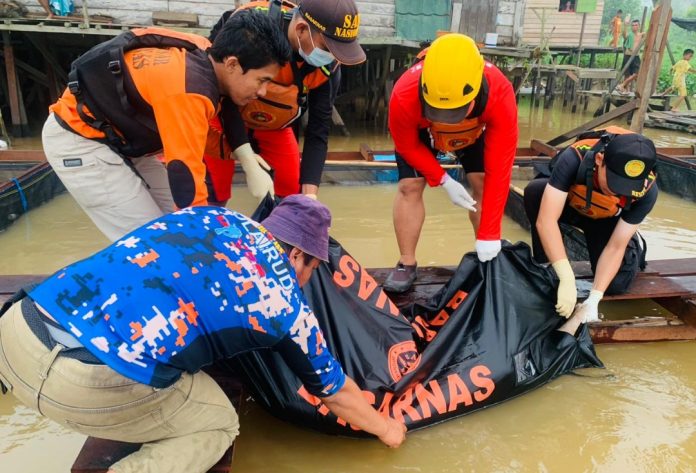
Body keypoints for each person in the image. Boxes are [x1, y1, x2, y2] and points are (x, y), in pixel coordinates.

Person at [0, 195, 407, 473]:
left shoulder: (208, 215)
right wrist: (388, 429)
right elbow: (336, 393)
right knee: (217, 424)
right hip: (79, 383)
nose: (305, 282)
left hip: (17, 327)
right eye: (312, 270)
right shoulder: (283, 302)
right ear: (299, 254)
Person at [42, 10, 291, 242]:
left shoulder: (204, 51)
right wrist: (202, 247)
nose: (263, 92)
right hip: (80, 139)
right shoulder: (189, 91)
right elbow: (188, 187)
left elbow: (199, 132)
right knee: (153, 242)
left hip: (122, 138)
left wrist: (244, 157)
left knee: (172, 224)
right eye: (262, 80)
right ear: (233, 64)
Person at [383, 33, 518, 293]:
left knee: (484, 182)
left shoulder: (499, 91)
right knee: (410, 185)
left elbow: (500, 170)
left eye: (454, 112)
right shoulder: (404, 92)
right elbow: (407, 145)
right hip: (424, 133)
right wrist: (443, 180)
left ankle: (486, 254)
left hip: (475, 131)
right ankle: (406, 262)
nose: (448, 119)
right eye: (442, 113)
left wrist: (490, 235)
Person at [205, 0, 366, 204]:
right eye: (329, 47)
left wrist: (310, 195)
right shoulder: (251, 31)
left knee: (292, 192)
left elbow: (318, 130)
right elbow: (221, 92)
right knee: (213, 191)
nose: (334, 56)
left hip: (274, 124)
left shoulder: (328, 67)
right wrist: (247, 160)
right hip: (224, 114)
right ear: (301, 30)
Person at [523, 128, 658, 322]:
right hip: (571, 206)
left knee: (615, 286)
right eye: (613, 182)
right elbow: (547, 220)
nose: (615, 191)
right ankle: (547, 267)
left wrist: (595, 298)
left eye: (626, 187)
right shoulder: (574, 157)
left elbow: (615, 246)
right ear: (599, 160)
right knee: (536, 191)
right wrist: (566, 277)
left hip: (606, 219)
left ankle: (633, 248)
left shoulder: (648, 191)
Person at [617, 19, 643, 94]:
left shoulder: (641, 35)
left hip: (636, 56)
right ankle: (625, 90)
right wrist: (625, 25)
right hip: (628, 55)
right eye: (633, 25)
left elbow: (649, 33)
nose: (634, 27)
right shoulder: (629, 34)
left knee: (637, 73)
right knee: (627, 74)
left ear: (639, 26)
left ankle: (622, 85)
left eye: (636, 25)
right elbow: (624, 35)